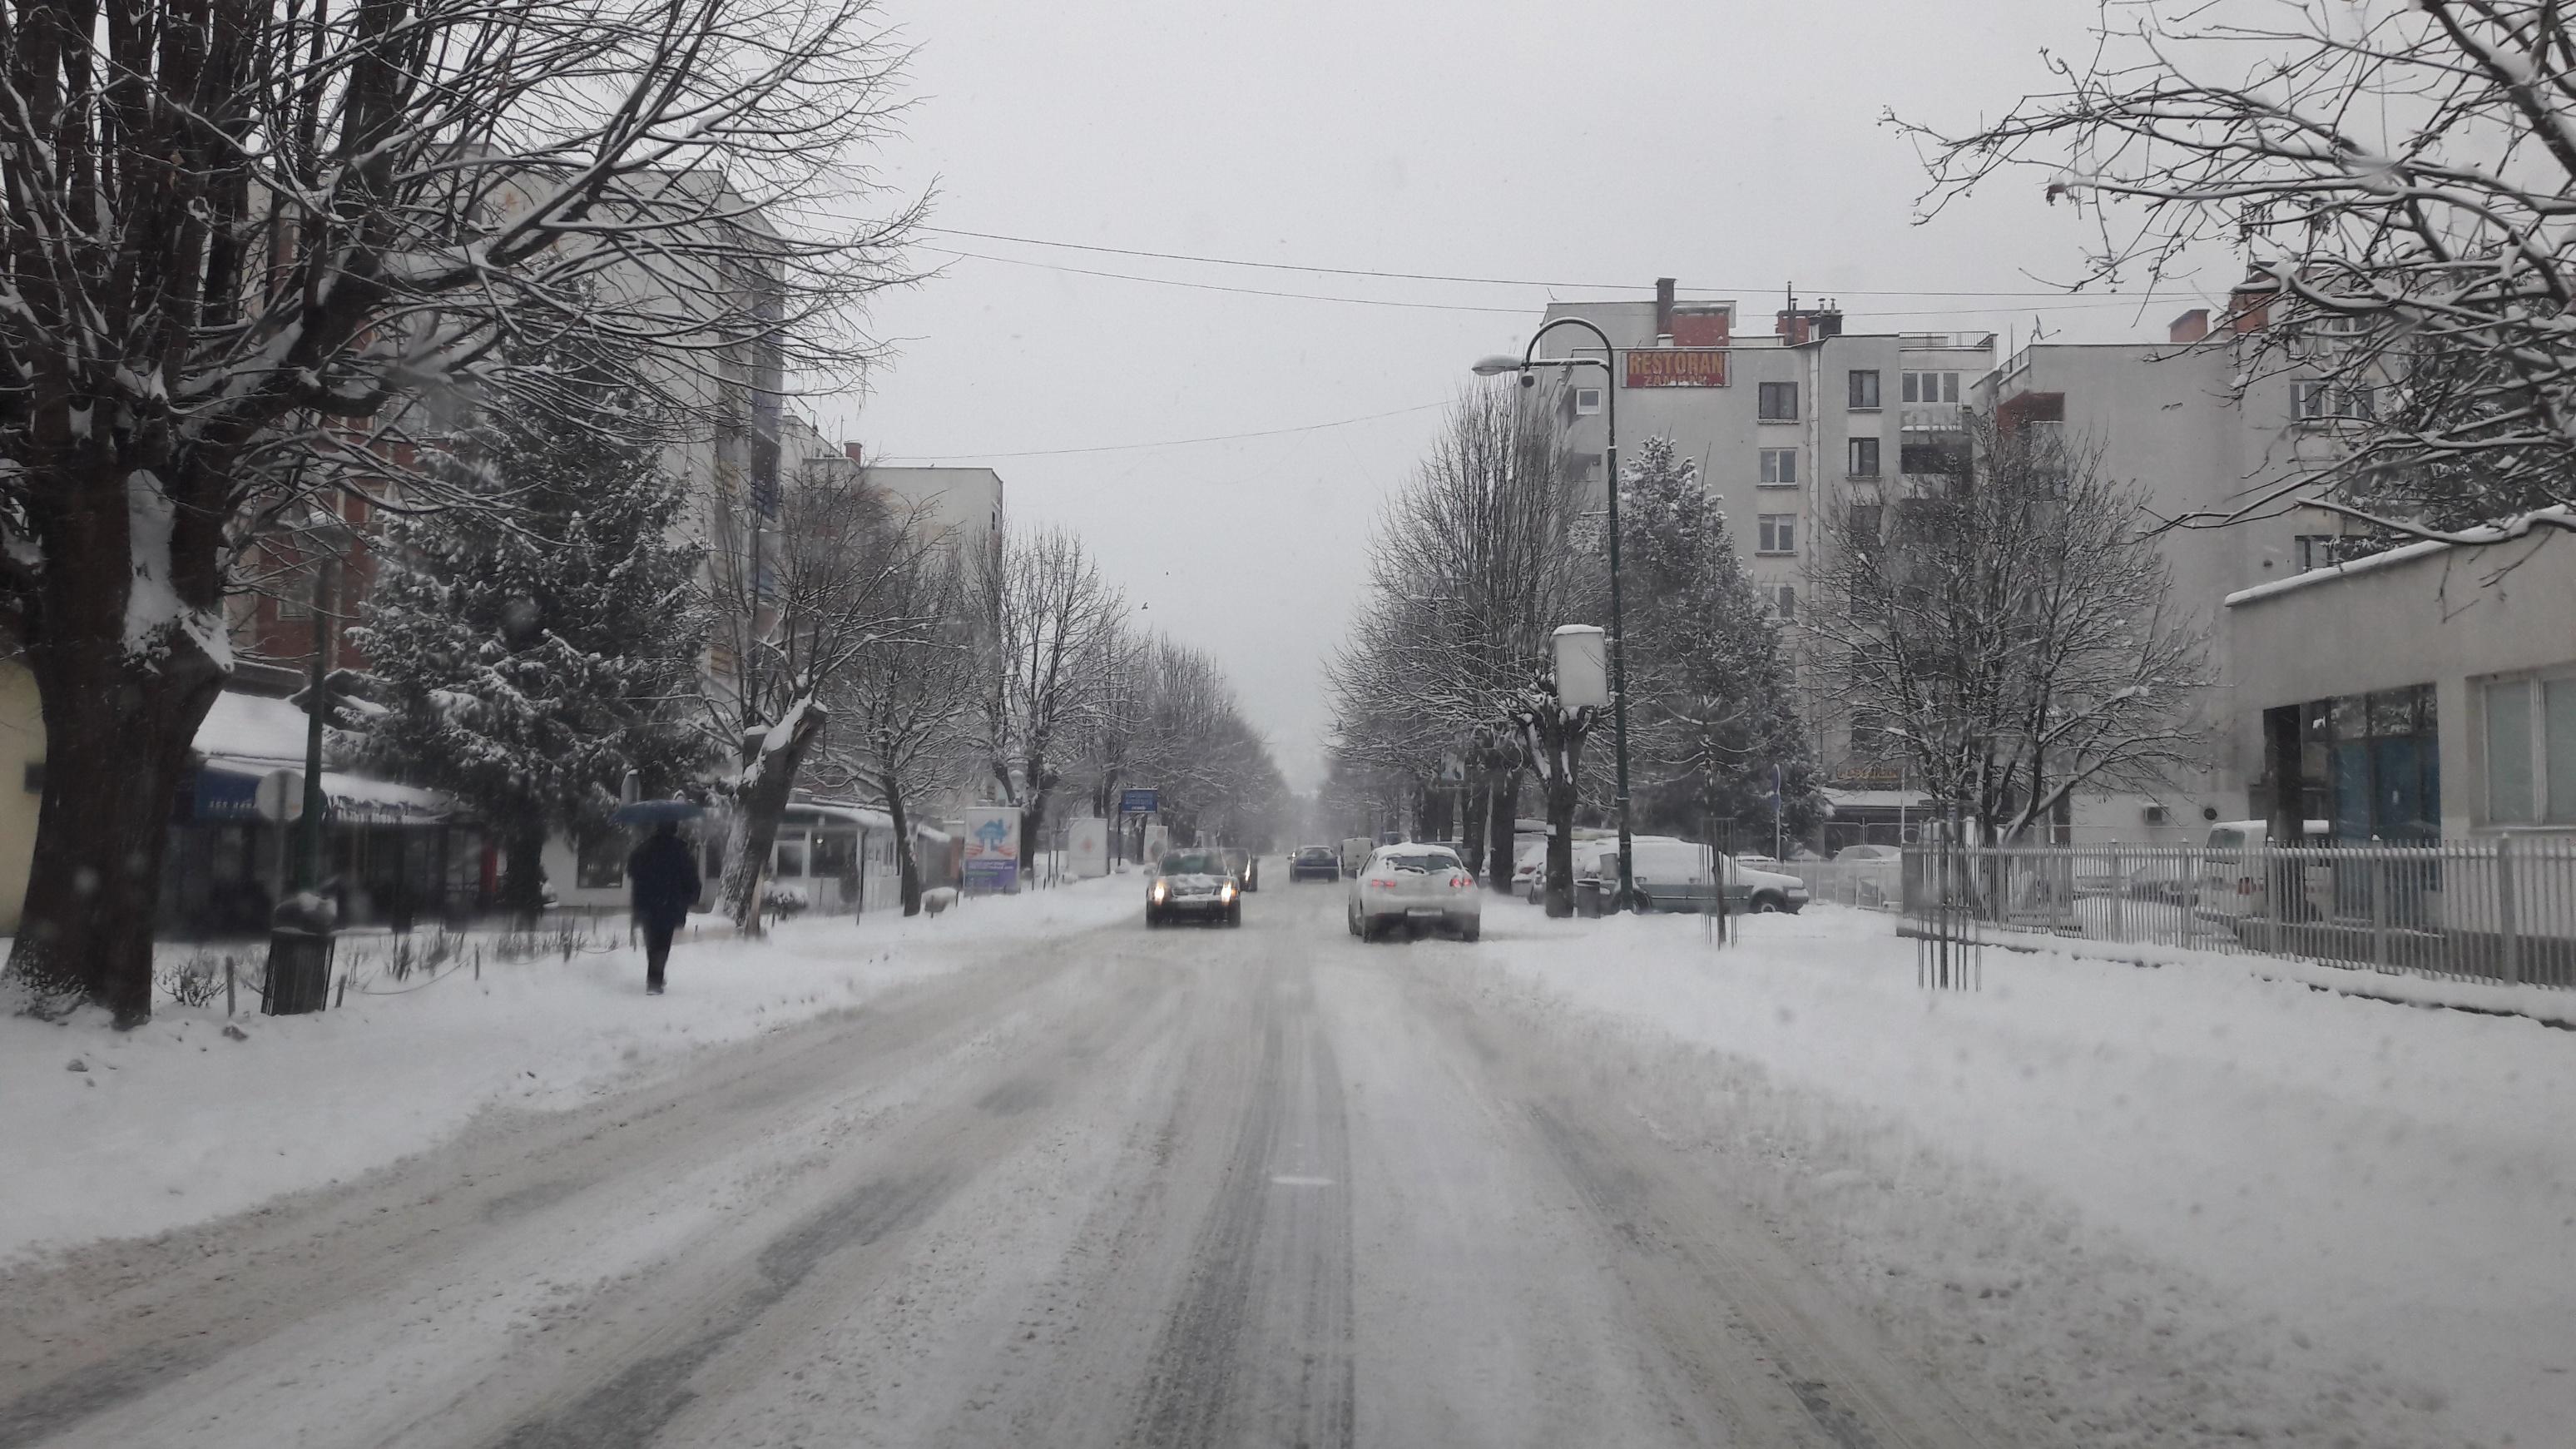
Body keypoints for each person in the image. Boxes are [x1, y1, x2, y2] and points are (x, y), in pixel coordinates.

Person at [627, 820, 701, 995]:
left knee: (652, 941)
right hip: (670, 905)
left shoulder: (644, 849)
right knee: (663, 943)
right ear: (674, 829)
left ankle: (654, 975)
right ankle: (655, 979)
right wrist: (690, 897)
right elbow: (691, 878)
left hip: (647, 904)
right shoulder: (681, 851)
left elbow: (631, 870)